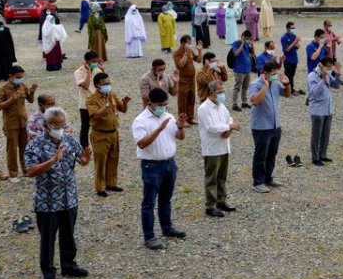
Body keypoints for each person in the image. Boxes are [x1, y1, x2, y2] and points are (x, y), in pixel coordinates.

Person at [24, 108, 92, 279]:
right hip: (47, 202)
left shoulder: (69, 139)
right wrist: (53, 160)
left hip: (69, 198)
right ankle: (48, 272)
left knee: (68, 235)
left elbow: (81, 159)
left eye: (63, 125)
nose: (60, 129)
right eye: (56, 126)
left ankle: (68, 265)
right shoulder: (35, 145)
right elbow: (30, 171)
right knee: (47, 239)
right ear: (46, 126)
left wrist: (85, 160)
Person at [132, 88, 188, 250]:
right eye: (160, 105)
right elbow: (141, 143)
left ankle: (167, 228)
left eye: (165, 105)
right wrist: (158, 129)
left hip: (169, 164)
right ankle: (149, 236)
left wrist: (181, 127)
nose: (163, 108)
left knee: (166, 199)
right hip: (151, 166)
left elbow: (180, 137)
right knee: (149, 202)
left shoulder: (168, 116)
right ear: (150, 104)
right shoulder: (140, 121)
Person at [197, 81, 241, 217]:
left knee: (222, 176)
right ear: (211, 93)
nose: (222, 94)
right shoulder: (204, 108)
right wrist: (229, 127)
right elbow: (210, 127)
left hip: (223, 145)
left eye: (223, 91)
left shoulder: (221, 106)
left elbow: (229, 119)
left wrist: (229, 130)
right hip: (212, 148)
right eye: (220, 91)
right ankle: (210, 205)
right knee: (212, 177)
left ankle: (221, 200)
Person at [248, 60, 290, 193]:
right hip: (261, 127)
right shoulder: (255, 84)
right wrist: (265, 87)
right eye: (272, 73)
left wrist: (287, 83)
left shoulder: (276, 82)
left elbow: (287, 94)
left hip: (275, 125)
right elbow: (255, 101)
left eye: (276, 73)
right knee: (261, 155)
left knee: (272, 153)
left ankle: (268, 177)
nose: (274, 75)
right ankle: (258, 182)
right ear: (264, 73)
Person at [86, 72, 130, 197]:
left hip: (113, 133)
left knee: (113, 159)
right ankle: (100, 187)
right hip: (100, 134)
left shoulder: (112, 94)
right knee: (101, 162)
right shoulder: (91, 100)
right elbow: (95, 115)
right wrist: (106, 105)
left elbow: (123, 109)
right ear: (97, 86)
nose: (108, 86)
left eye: (109, 83)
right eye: (105, 84)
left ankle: (111, 183)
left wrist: (125, 102)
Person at [0, 66, 37, 181]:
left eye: (21, 77)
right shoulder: (3, 89)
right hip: (11, 123)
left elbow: (31, 100)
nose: (20, 79)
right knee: (12, 149)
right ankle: (13, 173)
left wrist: (32, 92)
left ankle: (26, 170)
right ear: (11, 76)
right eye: (18, 77)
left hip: (23, 121)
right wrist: (12, 99)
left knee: (25, 147)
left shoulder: (22, 86)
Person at [306, 56, 341, 166]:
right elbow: (314, 93)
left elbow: (336, 86)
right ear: (322, 66)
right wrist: (323, 80)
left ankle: (323, 154)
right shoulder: (312, 76)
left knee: (325, 134)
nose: (330, 69)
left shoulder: (328, 73)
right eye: (329, 67)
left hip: (327, 109)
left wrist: (338, 75)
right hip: (317, 110)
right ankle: (315, 157)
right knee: (316, 135)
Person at [73, 51, 102, 148]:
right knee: (85, 127)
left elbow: (103, 84)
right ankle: (85, 148)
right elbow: (85, 86)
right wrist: (89, 72)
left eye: (96, 61)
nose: (95, 63)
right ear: (86, 61)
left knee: (99, 125)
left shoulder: (98, 70)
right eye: (93, 61)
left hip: (97, 103)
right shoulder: (78, 72)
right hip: (85, 104)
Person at [174, 35, 202, 124]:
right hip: (183, 79)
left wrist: (200, 50)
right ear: (182, 43)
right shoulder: (177, 53)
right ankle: (182, 119)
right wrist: (185, 53)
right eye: (188, 43)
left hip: (191, 79)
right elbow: (181, 64)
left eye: (190, 43)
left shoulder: (190, 50)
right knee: (182, 100)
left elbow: (198, 60)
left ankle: (190, 117)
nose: (190, 45)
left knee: (191, 98)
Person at [230, 30, 254, 111]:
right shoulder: (236, 43)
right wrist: (242, 43)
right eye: (247, 38)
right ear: (243, 36)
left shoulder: (248, 44)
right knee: (237, 87)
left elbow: (252, 53)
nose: (248, 39)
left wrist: (252, 44)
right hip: (239, 70)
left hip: (247, 69)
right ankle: (234, 104)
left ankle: (244, 102)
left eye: (249, 38)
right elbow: (236, 53)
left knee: (245, 87)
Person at [281, 21, 303, 95]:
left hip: (294, 59)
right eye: (292, 28)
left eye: (294, 28)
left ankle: (291, 88)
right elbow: (287, 49)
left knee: (292, 75)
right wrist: (295, 42)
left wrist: (298, 44)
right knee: (288, 75)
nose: (293, 29)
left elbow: (296, 47)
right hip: (288, 60)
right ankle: (286, 89)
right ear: (287, 29)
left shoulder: (293, 36)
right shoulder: (284, 38)